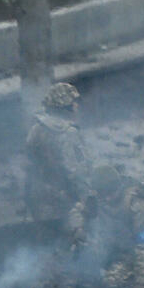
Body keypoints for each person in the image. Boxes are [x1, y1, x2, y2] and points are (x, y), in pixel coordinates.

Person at [83, 164, 144, 288]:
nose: (107, 199)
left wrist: (142, 282)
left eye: (110, 193)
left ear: (118, 187)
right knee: (88, 274)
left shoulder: (140, 205)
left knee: (112, 282)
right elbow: (79, 210)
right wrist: (78, 228)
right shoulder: (99, 197)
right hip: (122, 248)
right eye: (103, 194)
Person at [24, 82, 91, 245]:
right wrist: (86, 200)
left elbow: (31, 163)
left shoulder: (36, 130)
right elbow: (77, 171)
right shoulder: (68, 133)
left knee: (46, 247)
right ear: (65, 106)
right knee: (73, 247)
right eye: (74, 102)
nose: (77, 106)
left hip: (39, 201)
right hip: (65, 204)